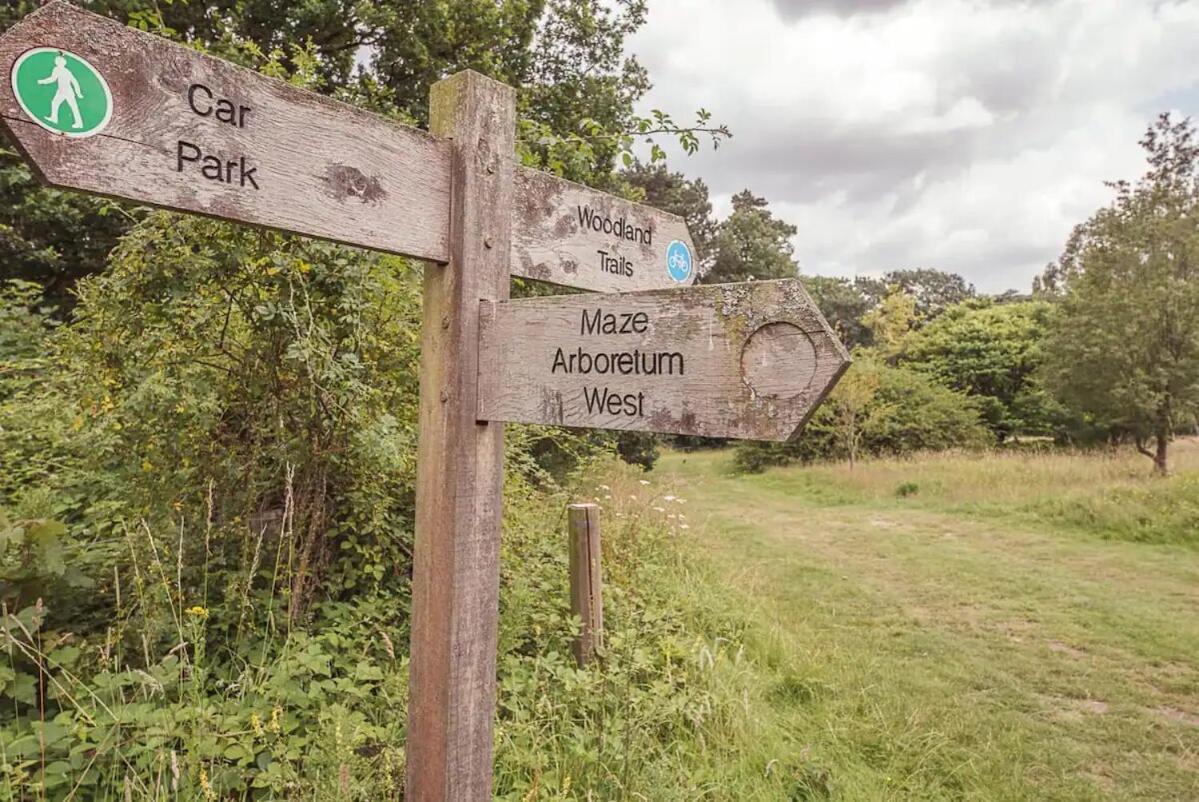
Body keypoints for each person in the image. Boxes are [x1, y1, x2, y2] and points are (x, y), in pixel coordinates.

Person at [38, 54, 83, 129]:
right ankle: (54, 118)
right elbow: (74, 81)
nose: (56, 62)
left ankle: (78, 123)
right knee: (56, 103)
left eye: (58, 61)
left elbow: (52, 79)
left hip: (65, 91)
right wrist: (78, 93)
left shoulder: (57, 69)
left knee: (72, 106)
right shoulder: (67, 70)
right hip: (63, 90)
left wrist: (41, 81)